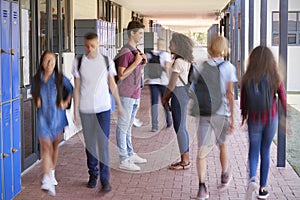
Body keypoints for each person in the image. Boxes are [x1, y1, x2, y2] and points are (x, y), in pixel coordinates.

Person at [73, 32, 122, 192]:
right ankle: (93, 174)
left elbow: (112, 84)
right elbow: (77, 89)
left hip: (103, 109)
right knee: (91, 146)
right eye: (87, 46)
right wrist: (75, 112)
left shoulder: (106, 61)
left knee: (103, 144)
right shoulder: (79, 62)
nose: (89, 49)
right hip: (86, 110)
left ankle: (105, 180)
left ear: (98, 44)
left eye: (92, 46)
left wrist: (119, 105)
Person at [241, 46, 286, 199]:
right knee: (265, 151)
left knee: (253, 151)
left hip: (254, 119)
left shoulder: (247, 76)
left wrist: (243, 116)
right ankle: (263, 188)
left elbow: (244, 100)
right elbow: (283, 97)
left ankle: (252, 178)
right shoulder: (274, 75)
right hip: (271, 117)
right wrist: (285, 114)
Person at [195, 35, 237, 199]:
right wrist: (233, 118)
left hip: (204, 112)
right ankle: (225, 173)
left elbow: (193, 90)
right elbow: (230, 93)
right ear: (224, 49)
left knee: (202, 151)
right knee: (223, 145)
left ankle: (202, 188)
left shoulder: (201, 66)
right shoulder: (228, 67)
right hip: (221, 113)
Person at [31, 50, 73, 196]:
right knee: (45, 147)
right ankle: (46, 177)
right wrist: (36, 99)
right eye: (47, 60)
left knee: (55, 146)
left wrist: (65, 102)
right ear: (42, 62)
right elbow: (34, 92)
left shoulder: (60, 78)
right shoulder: (36, 79)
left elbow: (71, 89)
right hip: (43, 117)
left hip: (57, 117)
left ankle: (52, 172)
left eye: (52, 61)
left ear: (55, 64)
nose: (50, 64)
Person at [116, 20, 148, 171]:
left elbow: (134, 72)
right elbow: (121, 75)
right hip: (126, 94)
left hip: (135, 94)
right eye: (140, 33)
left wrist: (141, 63)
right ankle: (123, 159)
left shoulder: (135, 51)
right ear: (132, 33)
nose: (141, 36)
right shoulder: (125, 52)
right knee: (123, 126)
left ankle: (130, 153)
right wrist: (136, 63)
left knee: (129, 127)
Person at [162, 32, 193, 170]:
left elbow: (172, 84)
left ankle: (185, 161)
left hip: (178, 94)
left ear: (178, 46)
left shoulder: (179, 62)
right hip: (183, 94)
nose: (170, 45)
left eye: (172, 43)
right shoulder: (185, 61)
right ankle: (184, 158)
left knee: (179, 127)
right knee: (182, 127)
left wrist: (165, 98)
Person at [146, 38, 172, 132]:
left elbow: (146, 66)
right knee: (165, 101)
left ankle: (154, 125)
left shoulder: (150, 54)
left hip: (152, 81)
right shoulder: (166, 55)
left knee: (154, 103)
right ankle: (168, 121)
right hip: (163, 81)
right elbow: (167, 68)